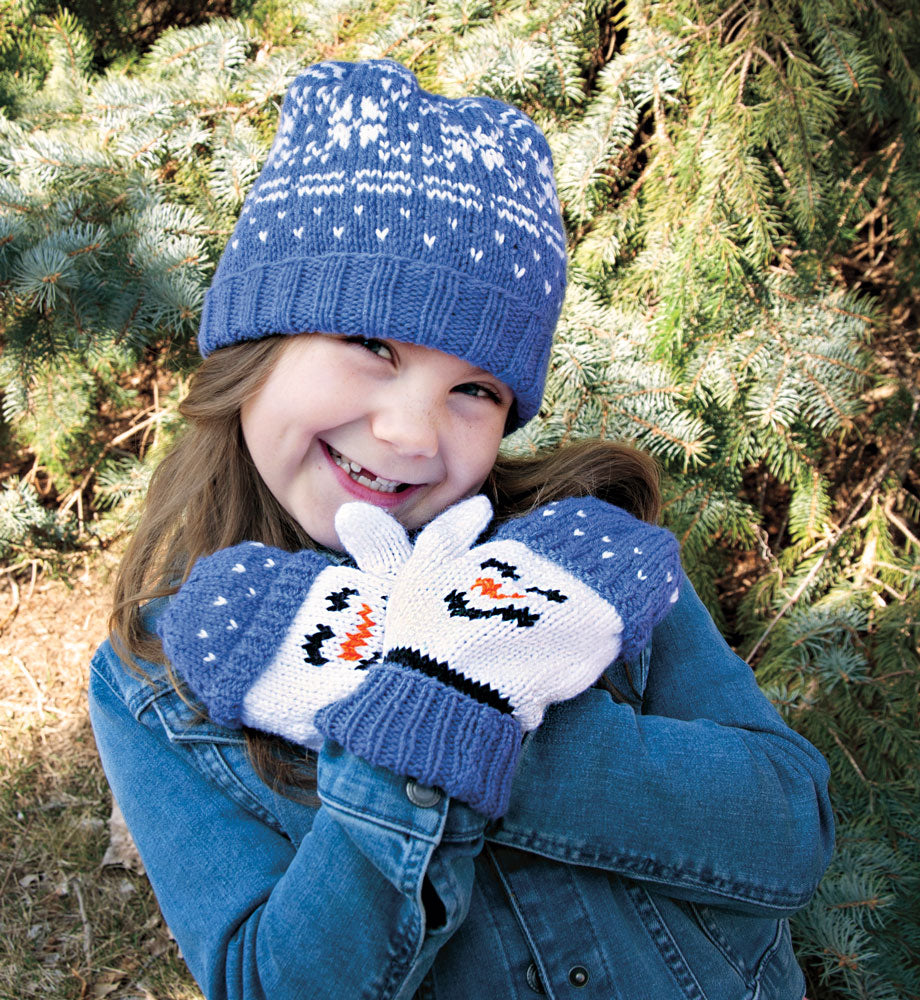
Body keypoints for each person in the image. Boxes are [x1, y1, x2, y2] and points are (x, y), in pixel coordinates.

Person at [89, 58, 834, 1000]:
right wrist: (400, 746)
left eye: (475, 390)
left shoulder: (585, 557)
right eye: (372, 346)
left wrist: (470, 699)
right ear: (255, 347)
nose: (410, 432)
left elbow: (788, 831)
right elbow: (266, 982)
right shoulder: (156, 675)